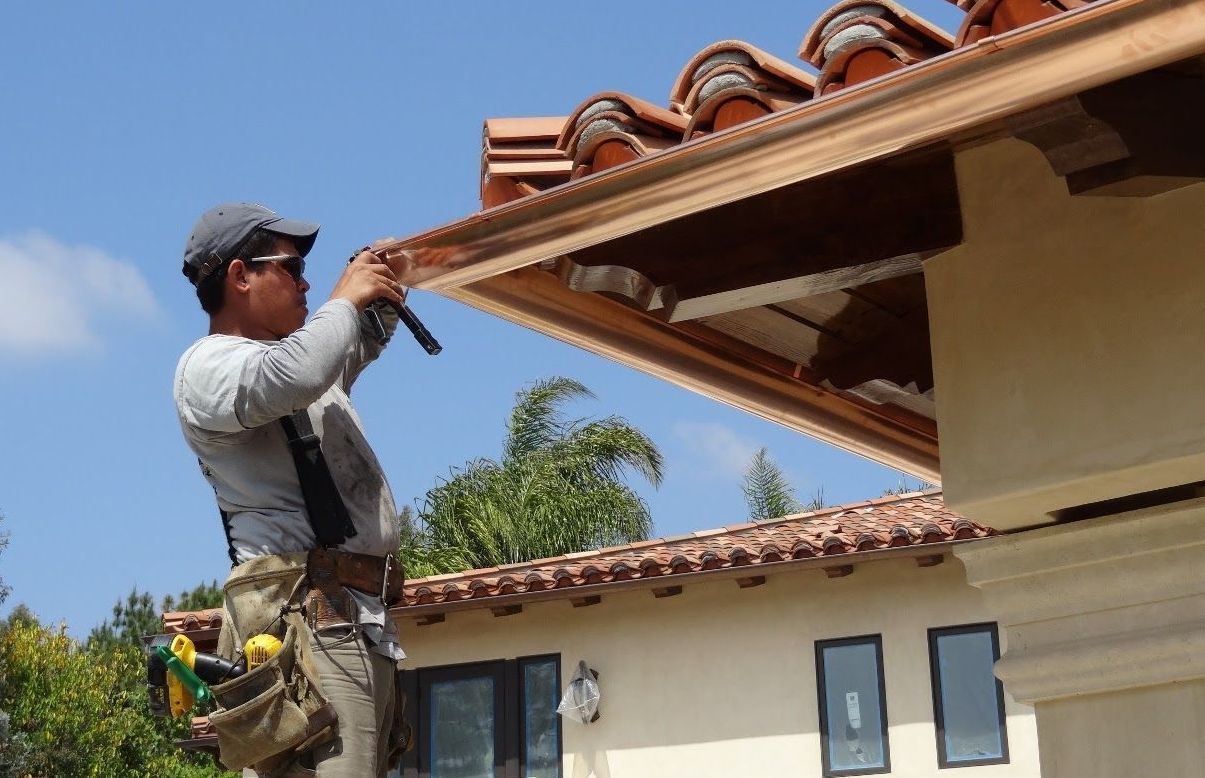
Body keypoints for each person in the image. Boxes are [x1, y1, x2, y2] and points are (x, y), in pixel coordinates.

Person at [173, 202, 409, 777]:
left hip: (353, 623)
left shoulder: (286, 359)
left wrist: (382, 291)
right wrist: (344, 297)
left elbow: (341, 349)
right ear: (239, 276)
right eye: (291, 267)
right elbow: (304, 369)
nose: (306, 281)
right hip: (305, 629)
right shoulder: (209, 365)